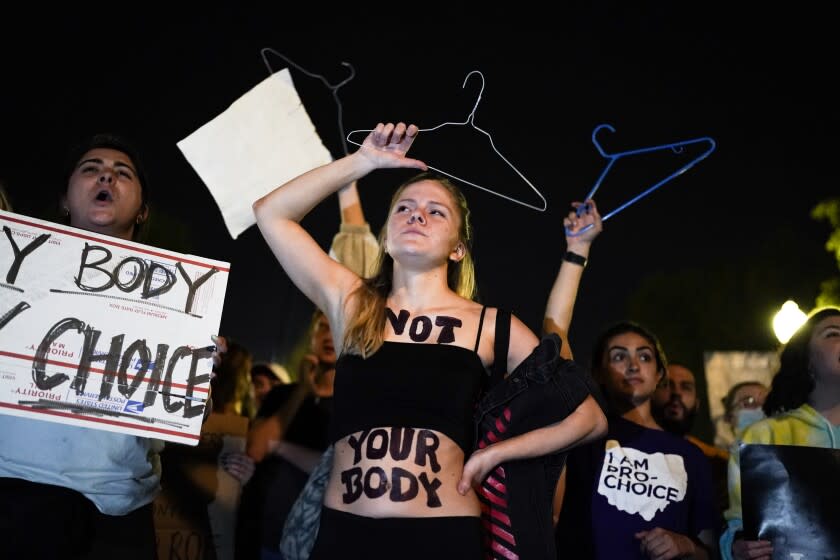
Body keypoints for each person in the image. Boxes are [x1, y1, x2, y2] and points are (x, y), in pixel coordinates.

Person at [252, 121, 606, 559]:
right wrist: (364, 162)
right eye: (404, 208)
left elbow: (588, 418)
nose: (417, 214)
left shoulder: (491, 325)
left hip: (442, 536)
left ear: (458, 248)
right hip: (344, 534)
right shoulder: (353, 304)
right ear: (386, 236)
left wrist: (493, 456)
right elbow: (271, 212)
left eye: (436, 212)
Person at [0, 133, 162, 559]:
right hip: (17, 496)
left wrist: (196, 378)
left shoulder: (172, 301)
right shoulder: (11, 270)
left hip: (119, 509)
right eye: (91, 168)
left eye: (122, 173)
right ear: (66, 202)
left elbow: (174, 427)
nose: (106, 174)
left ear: (142, 210)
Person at [549, 201, 718, 559]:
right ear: (598, 373)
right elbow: (555, 332)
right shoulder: (583, 433)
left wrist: (684, 544)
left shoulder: (691, 456)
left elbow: (711, 549)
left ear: (660, 375)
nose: (632, 365)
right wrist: (577, 251)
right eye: (618, 356)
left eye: (644, 356)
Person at [720, 306, 840, 560]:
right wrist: (736, 547)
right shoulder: (763, 436)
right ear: (806, 358)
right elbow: (738, 524)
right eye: (833, 334)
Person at [653, 363, 730, 522]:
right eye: (667, 385)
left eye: (686, 387)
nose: (676, 393)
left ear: (697, 404)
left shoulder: (717, 463)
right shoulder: (628, 452)